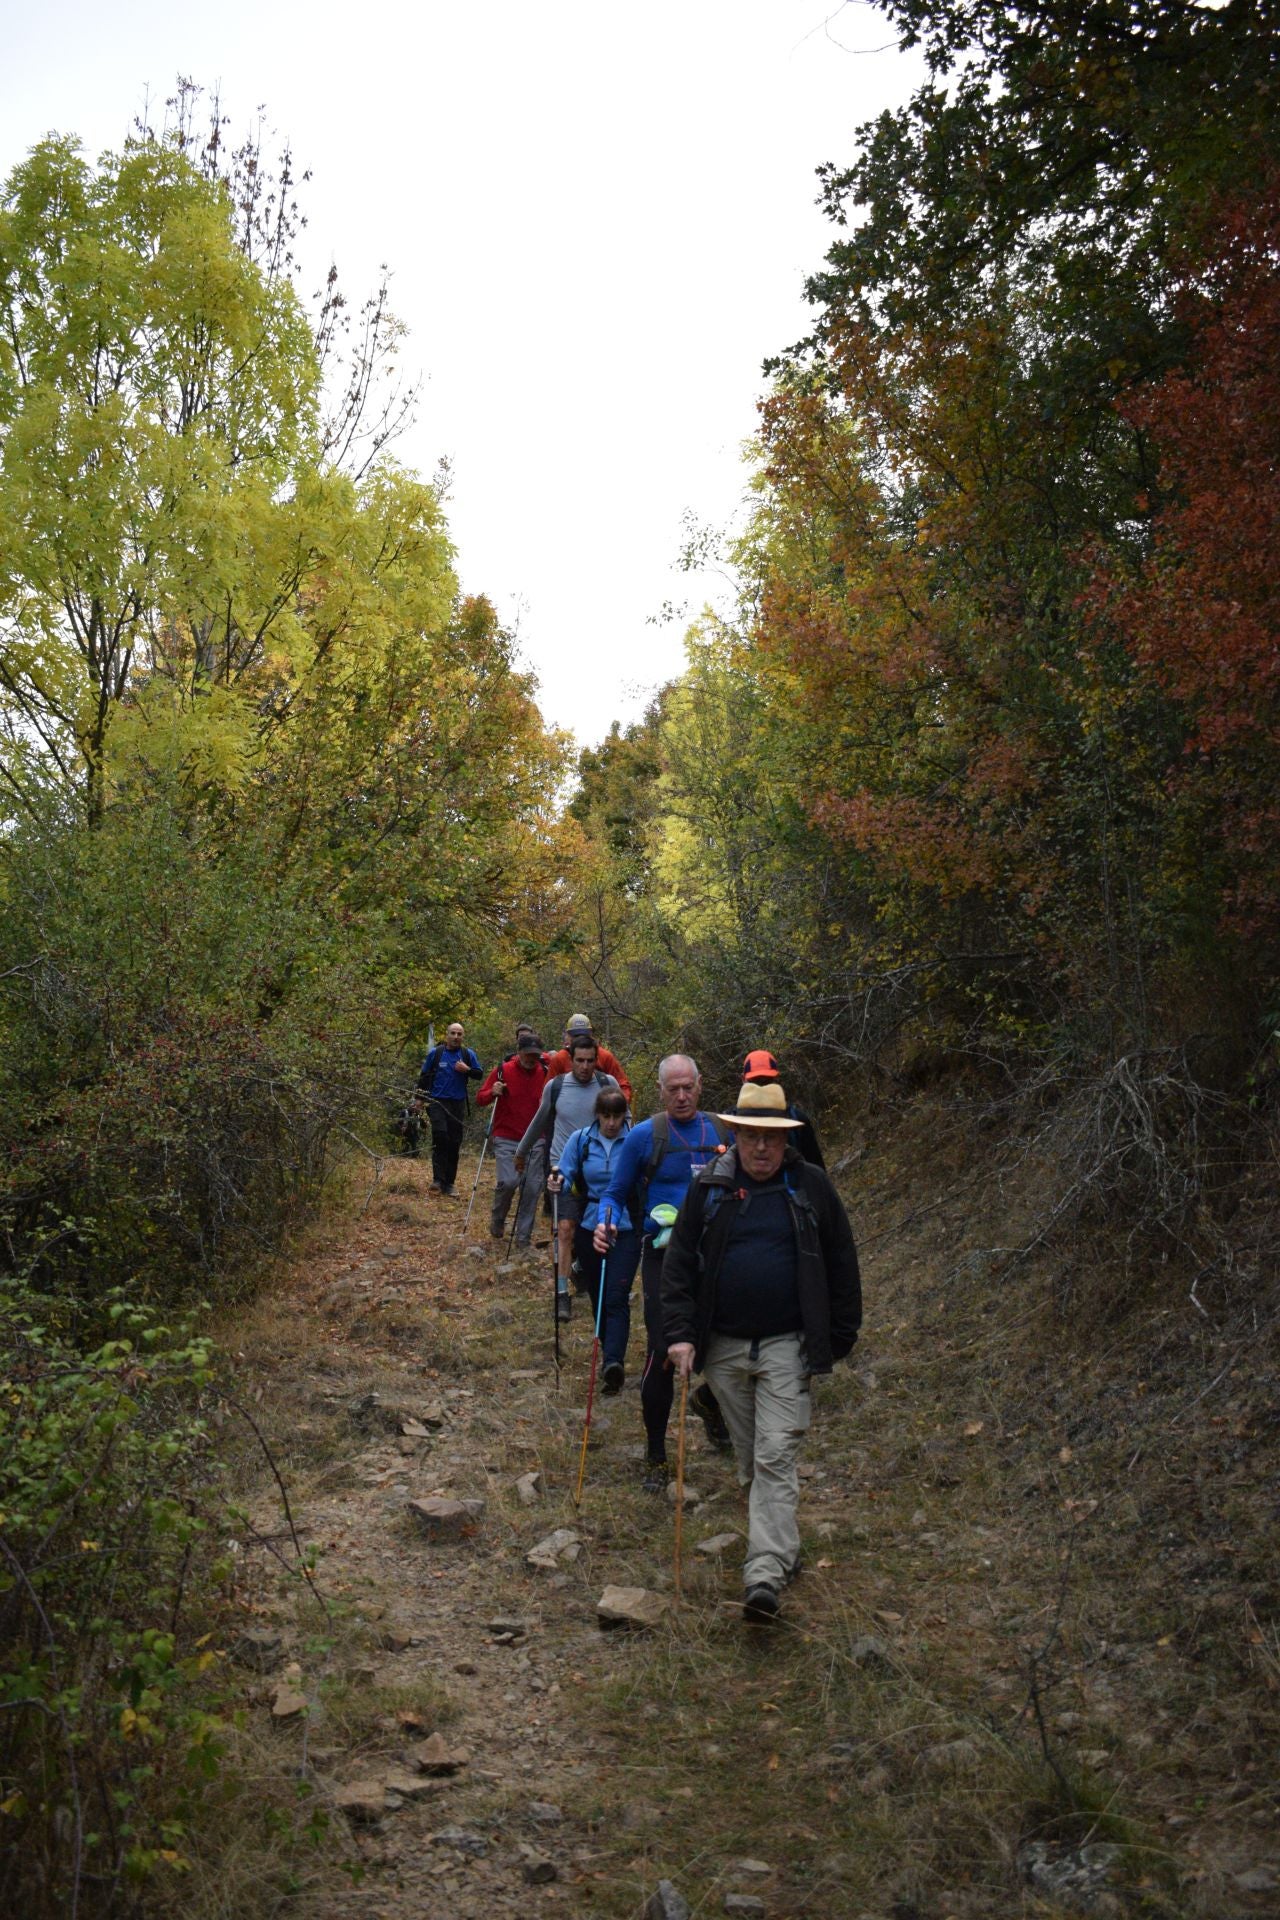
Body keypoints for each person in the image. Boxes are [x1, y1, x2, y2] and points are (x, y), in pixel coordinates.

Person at [662, 1078, 861, 1625]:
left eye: (772, 1138)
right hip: (723, 1349)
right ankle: (779, 1539)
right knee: (754, 1457)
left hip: (786, 1346)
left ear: (785, 1139)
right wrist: (680, 1333)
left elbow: (842, 1261)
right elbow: (679, 1266)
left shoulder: (810, 1185)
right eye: (752, 1137)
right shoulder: (710, 1188)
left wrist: (837, 1336)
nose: (762, 1148)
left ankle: (765, 1572)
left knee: (775, 1454)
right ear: (738, 1135)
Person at [593, 1054, 734, 1492]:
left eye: (687, 1087)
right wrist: (605, 1222)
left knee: (729, 1346)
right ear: (659, 1090)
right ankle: (656, 1454)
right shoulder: (643, 1136)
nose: (681, 1096)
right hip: (663, 1257)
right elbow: (614, 1193)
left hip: (718, 1256)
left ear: (700, 1084)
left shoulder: (723, 1131)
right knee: (661, 1351)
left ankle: (711, 1404)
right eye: (672, 1089)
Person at [515, 1037, 620, 1319]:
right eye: (579, 1060)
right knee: (565, 1229)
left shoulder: (607, 1083)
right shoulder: (557, 1086)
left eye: (590, 1060)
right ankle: (562, 1294)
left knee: (593, 1233)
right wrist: (522, 1151)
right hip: (562, 1168)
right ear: (570, 1059)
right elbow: (540, 1119)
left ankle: (578, 1269)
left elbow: (625, 1120)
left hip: (599, 1170)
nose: (585, 1066)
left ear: (596, 1060)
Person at [548, 1087, 639, 1392]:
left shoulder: (636, 1140)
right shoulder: (582, 1140)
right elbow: (567, 1171)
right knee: (599, 1295)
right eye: (606, 1116)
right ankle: (608, 1353)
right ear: (597, 1115)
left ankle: (613, 1361)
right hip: (589, 1224)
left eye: (617, 1116)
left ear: (624, 1116)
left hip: (626, 1225)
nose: (612, 1123)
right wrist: (558, 1179)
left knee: (617, 1293)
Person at [476, 1033, 550, 1251]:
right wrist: (493, 1091)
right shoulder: (503, 1071)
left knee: (532, 1188)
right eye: (527, 1054)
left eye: (535, 1055)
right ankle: (498, 1218)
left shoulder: (545, 1073)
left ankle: (523, 1239)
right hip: (506, 1137)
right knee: (508, 1182)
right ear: (519, 1052)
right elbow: (480, 1098)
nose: (531, 1059)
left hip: (536, 1139)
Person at [417, 1022, 484, 1196]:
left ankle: (449, 1183)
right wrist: (419, 1099)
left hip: (458, 1104)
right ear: (447, 1035)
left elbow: (479, 1074)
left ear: (463, 1036)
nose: (456, 1037)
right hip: (437, 1102)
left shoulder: (467, 1055)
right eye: (453, 1033)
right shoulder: (436, 1054)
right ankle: (438, 1180)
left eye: (459, 1034)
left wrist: (466, 1069)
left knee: (454, 1142)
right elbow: (424, 1076)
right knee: (440, 1136)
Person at [741, 1049, 826, 1167]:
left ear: (777, 1081)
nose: (761, 1088)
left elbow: (817, 1171)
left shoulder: (797, 1120)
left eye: (767, 1081)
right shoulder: (731, 1123)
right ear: (743, 1080)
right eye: (755, 1082)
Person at [544, 1014, 634, 1107]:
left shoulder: (605, 1056)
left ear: (591, 1035)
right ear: (569, 1036)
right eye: (576, 1036)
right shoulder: (560, 1059)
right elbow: (547, 1094)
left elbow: (623, 1086)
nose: (580, 1039)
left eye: (584, 1035)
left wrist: (617, 1107)